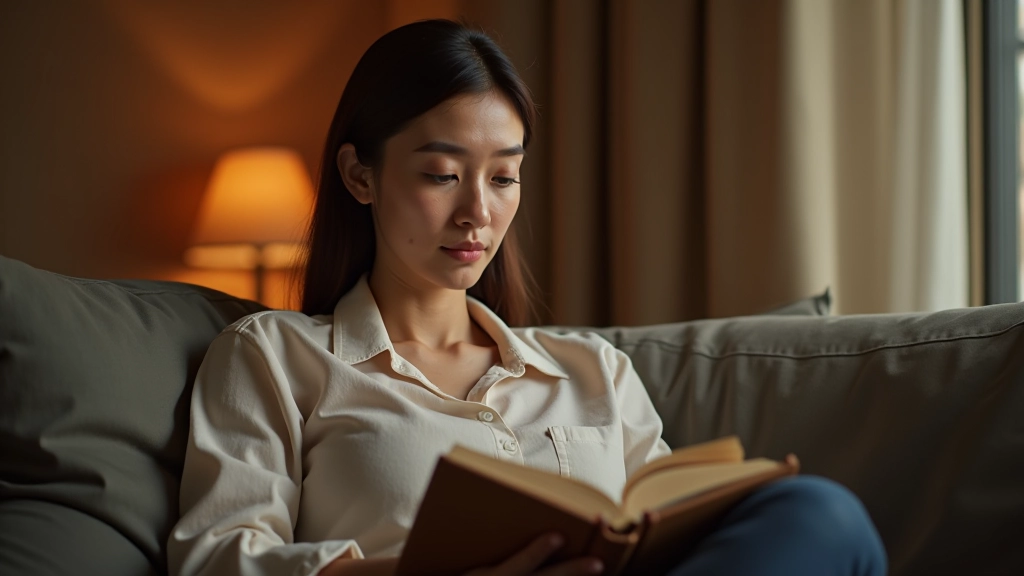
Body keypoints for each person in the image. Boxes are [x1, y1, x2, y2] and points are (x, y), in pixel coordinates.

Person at [168, 19, 887, 576]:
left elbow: (667, 532)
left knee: (820, 513)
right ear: (361, 177)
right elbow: (219, 558)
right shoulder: (275, 356)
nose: (477, 212)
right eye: (443, 174)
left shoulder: (592, 370)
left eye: (503, 178)